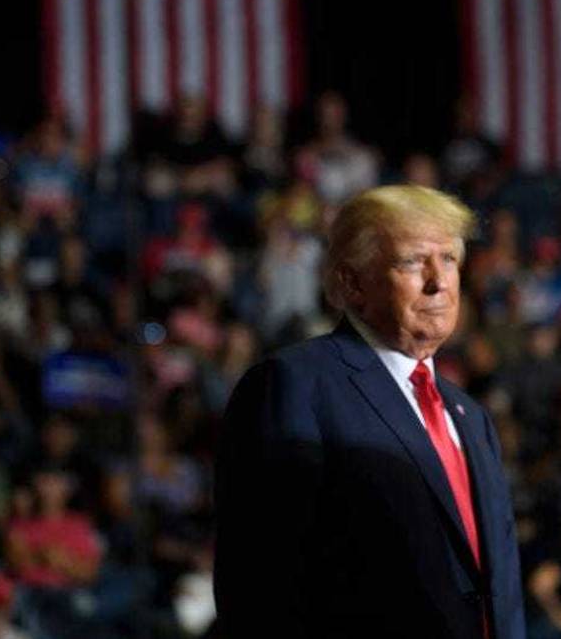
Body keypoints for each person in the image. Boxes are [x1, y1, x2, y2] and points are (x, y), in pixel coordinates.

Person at [215, 185, 525, 638]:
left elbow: (498, 586)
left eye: (450, 260)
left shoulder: (471, 417)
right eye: (413, 261)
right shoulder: (294, 385)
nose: (438, 281)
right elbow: (260, 585)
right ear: (351, 283)